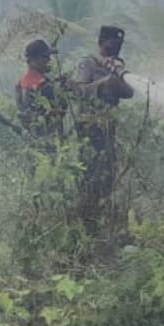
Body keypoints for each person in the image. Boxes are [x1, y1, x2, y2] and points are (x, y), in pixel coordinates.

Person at [70, 26, 135, 228]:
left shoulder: (116, 66)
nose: (116, 49)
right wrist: (102, 84)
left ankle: (102, 223)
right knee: (89, 177)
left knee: (108, 177)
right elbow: (77, 89)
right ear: (102, 42)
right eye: (112, 44)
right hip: (89, 131)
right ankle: (85, 224)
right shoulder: (88, 64)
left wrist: (117, 77)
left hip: (108, 132)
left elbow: (129, 92)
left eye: (119, 46)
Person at [15, 39, 66, 144]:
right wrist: (63, 91)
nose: (49, 60)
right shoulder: (44, 85)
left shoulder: (20, 84)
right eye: (45, 57)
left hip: (31, 142)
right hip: (50, 141)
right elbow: (59, 112)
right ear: (34, 60)